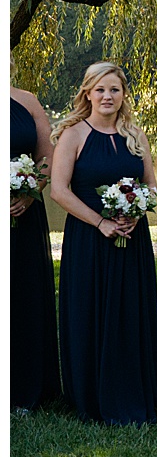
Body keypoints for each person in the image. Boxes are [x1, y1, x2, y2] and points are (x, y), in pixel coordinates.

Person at [49, 62, 157, 425]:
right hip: (89, 240)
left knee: (129, 312)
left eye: (115, 90)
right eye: (100, 90)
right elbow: (59, 191)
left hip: (132, 238)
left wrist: (138, 212)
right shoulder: (74, 134)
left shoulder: (135, 135)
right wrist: (101, 223)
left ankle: (135, 389)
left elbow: (151, 185)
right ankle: (90, 395)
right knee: (90, 309)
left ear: (124, 96)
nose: (108, 97)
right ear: (87, 93)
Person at [10, 86, 62, 411]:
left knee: (24, 293)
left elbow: (47, 156)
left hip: (24, 213)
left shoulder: (27, 100)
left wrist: (30, 191)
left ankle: (28, 389)